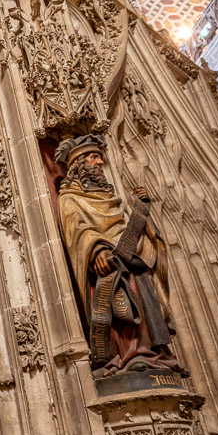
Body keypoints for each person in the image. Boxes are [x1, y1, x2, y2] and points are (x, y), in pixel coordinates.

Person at [56, 134, 185, 377]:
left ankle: (153, 353)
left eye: (100, 157)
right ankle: (129, 355)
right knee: (122, 306)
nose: (99, 162)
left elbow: (126, 231)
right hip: (107, 267)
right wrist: (98, 249)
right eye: (93, 157)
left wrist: (142, 211)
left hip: (130, 261)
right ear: (79, 163)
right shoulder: (70, 198)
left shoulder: (110, 197)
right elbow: (77, 231)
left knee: (145, 304)